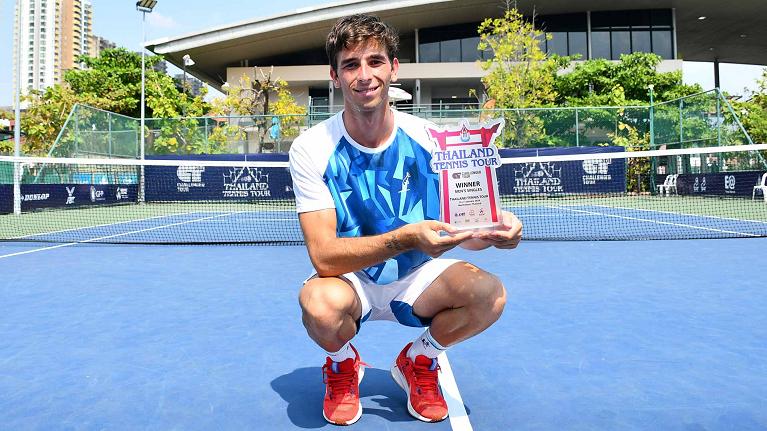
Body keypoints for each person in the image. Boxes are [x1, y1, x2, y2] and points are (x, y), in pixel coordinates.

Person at [288, 14, 523, 426]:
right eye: (351, 64)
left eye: (375, 62)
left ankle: (419, 359)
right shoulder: (311, 148)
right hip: (350, 279)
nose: (364, 75)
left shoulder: (432, 140)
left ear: (393, 68)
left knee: (490, 294)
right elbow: (324, 257)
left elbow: (460, 233)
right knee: (319, 307)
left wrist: (491, 230)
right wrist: (407, 237)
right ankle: (343, 364)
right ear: (335, 75)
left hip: (418, 277)